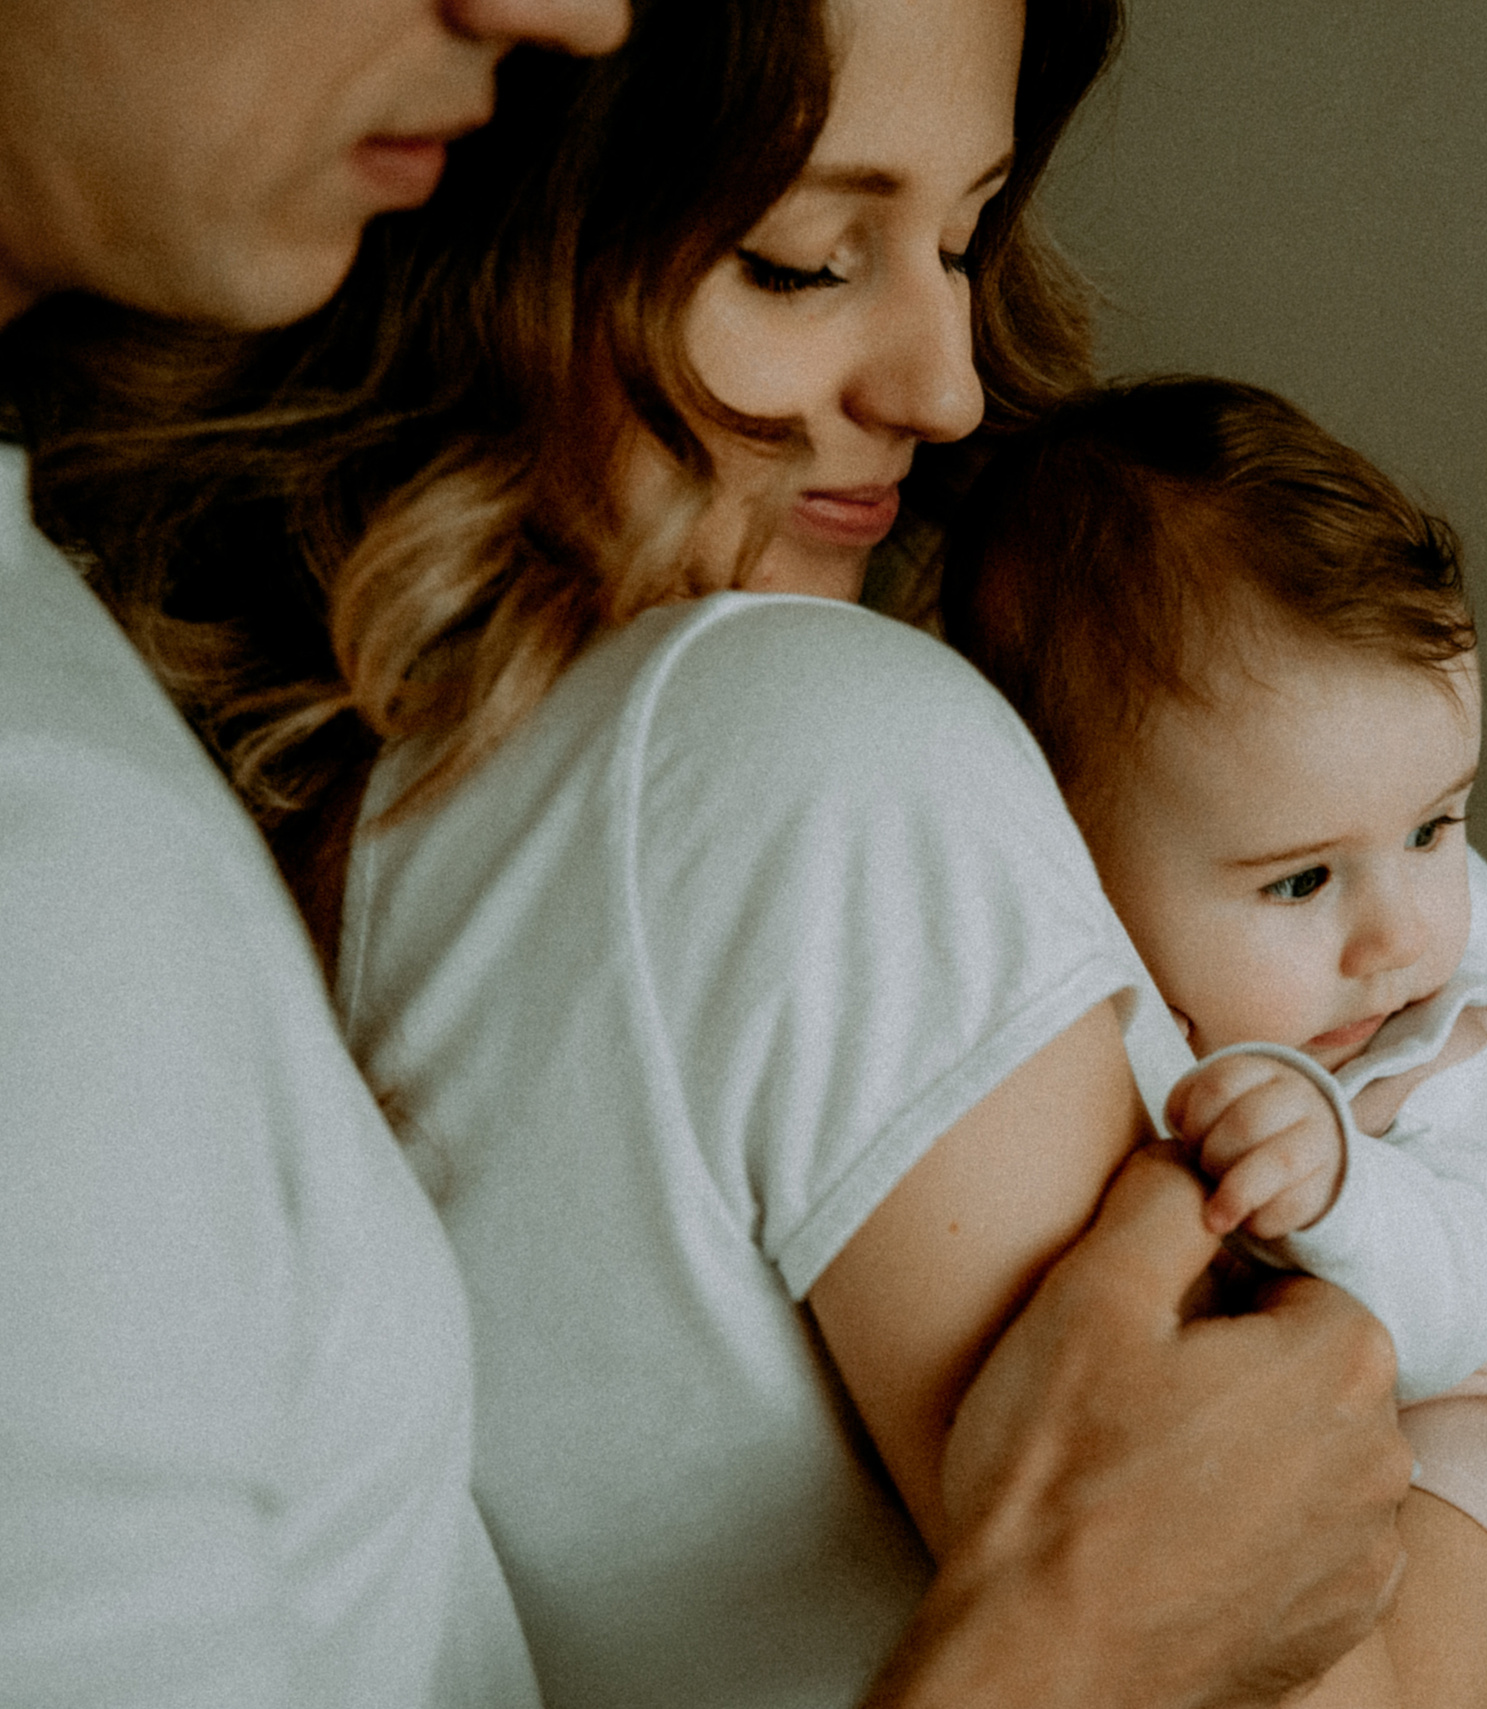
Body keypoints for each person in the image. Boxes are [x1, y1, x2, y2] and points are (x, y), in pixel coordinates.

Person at [0, 1, 1411, 1706]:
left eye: (965, 240)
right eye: (803, 258)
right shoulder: (820, 758)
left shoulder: (226, 756)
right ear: (498, 205)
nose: (951, 386)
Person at [942, 376, 1487, 1683]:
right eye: (1302, 881)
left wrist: (1345, 1178)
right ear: (1068, 858)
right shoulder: (1063, 989)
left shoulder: (1434, 1033)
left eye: (1438, 827)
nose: (1401, 932)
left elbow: (1470, 1292)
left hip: (1473, 1440)